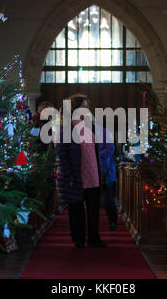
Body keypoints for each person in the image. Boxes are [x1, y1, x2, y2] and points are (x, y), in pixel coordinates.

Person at [56, 94, 106, 249]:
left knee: (93, 210)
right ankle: (78, 239)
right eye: (83, 107)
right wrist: (69, 174)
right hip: (75, 176)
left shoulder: (90, 126)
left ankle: (93, 238)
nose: (86, 110)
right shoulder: (65, 129)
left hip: (93, 175)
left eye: (87, 107)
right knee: (76, 210)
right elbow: (62, 155)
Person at [98, 126, 118, 231]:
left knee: (109, 200)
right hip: (93, 172)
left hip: (107, 172)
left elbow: (110, 149)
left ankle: (113, 221)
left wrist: (96, 155)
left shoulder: (103, 132)